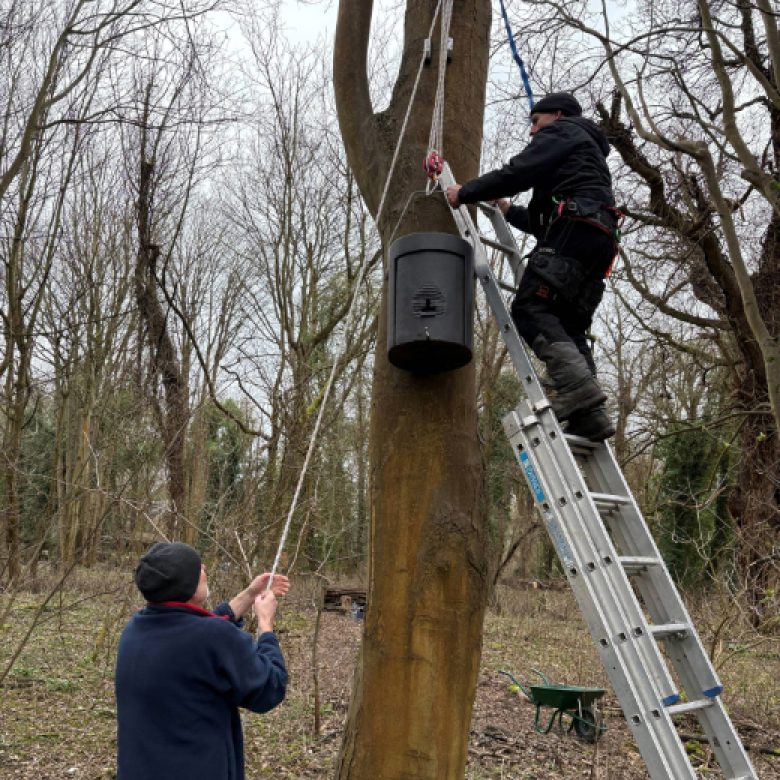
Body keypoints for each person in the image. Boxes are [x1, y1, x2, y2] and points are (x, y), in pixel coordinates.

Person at [446, 92, 620, 441]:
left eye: (535, 122)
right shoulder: (584, 158)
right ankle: (592, 416)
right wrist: (510, 212)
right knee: (568, 326)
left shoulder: (564, 132)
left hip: (574, 230)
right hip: (597, 240)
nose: (531, 132)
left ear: (556, 115)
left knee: (530, 308)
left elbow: (519, 172)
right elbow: (544, 220)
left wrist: (464, 192)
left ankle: (579, 391)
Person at [115, 541, 290, 780]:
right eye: (197, 568)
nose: (204, 568)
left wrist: (249, 595)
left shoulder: (136, 628)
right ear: (185, 585)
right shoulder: (212, 637)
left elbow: (198, 633)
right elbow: (270, 688)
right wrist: (265, 625)